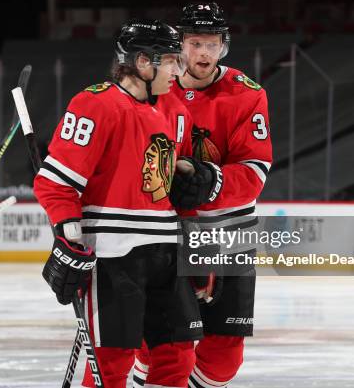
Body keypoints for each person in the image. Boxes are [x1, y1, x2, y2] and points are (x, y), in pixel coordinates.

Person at [33, 20, 222, 388]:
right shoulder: (95, 104)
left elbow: (174, 193)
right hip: (114, 253)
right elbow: (55, 183)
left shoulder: (172, 112)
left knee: (177, 355)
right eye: (169, 61)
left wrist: (195, 246)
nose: (178, 70)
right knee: (111, 361)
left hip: (165, 249)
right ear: (141, 61)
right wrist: (69, 235)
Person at [133, 3, 273, 388]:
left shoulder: (247, 94)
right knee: (157, 344)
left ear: (223, 46)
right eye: (195, 43)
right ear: (180, 45)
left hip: (228, 236)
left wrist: (211, 183)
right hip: (169, 236)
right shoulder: (156, 90)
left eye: (212, 44)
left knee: (224, 355)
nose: (204, 54)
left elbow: (255, 169)